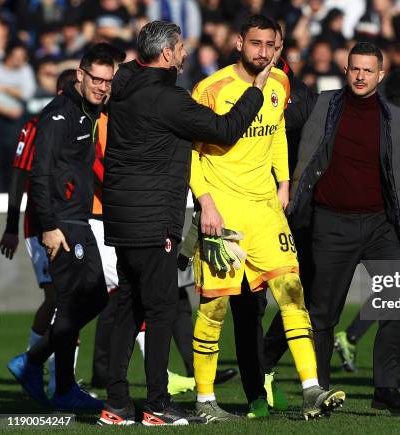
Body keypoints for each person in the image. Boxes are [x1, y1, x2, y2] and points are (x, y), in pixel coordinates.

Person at [99, 20, 274, 426]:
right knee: (160, 310)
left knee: (128, 305)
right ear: (165, 54)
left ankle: (117, 403)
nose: (184, 54)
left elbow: (127, 66)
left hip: (122, 218)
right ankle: (158, 404)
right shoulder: (169, 100)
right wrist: (257, 88)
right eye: (179, 49)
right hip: (153, 217)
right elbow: (225, 130)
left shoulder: (124, 83)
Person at [188, 14, 345, 422]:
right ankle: (205, 399)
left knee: (292, 293)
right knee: (215, 307)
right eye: (255, 43)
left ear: (278, 47)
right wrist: (205, 204)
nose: (263, 51)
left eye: (270, 45)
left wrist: (284, 181)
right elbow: (191, 152)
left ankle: (311, 389)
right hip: (222, 212)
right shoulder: (211, 89)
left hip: (265, 210)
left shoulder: (280, 83)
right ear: (239, 42)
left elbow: (275, 132)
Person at [288, 41, 400, 416]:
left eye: (368, 70)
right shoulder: (320, 104)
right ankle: (320, 393)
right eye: (355, 69)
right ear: (346, 71)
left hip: (382, 226)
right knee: (323, 315)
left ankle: (386, 389)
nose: (361, 76)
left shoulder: (395, 116)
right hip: (331, 223)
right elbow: (275, 124)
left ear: (380, 74)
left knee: (395, 304)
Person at [7, 44, 116, 411]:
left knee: (95, 297)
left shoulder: (88, 111)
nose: (102, 87)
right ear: (81, 76)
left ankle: (33, 362)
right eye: (96, 79)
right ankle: (60, 385)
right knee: (70, 302)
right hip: (60, 223)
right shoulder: (58, 115)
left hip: (77, 219)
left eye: (107, 81)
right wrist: (50, 227)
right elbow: (37, 173)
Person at [333, 67, 400, 374]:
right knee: (396, 288)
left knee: (397, 288)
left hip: (373, 209)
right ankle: (351, 335)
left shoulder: (380, 114)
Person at [3, 69, 77, 399]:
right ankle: (48, 375)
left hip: (69, 223)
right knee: (61, 300)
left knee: (62, 300)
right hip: (41, 226)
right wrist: (11, 228)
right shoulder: (39, 124)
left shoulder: (79, 124)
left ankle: (42, 371)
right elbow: (20, 175)